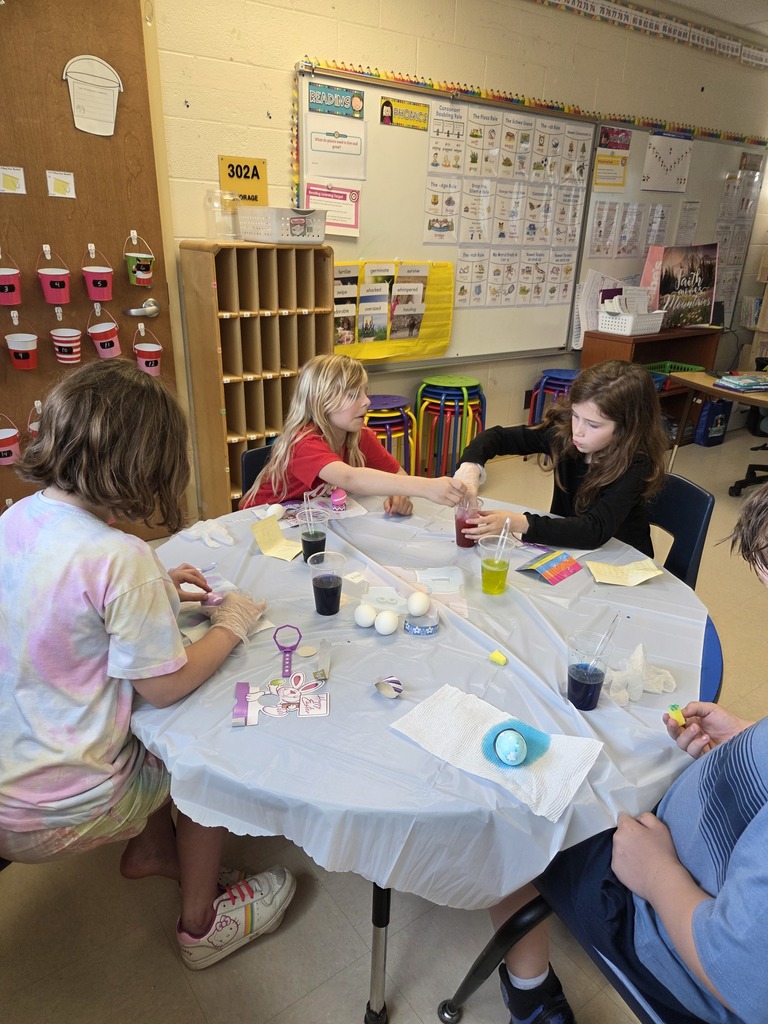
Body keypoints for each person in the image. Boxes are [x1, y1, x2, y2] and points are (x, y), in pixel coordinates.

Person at [0, 361, 295, 971]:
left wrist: (153, 587)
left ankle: (152, 850)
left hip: (9, 781)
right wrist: (232, 623)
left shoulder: (18, 518)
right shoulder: (120, 556)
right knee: (197, 755)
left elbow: (59, 607)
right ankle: (202, 926)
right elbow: (165, 687)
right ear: (143, 466)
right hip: (64, 805)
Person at [489, 484, 768, 1024]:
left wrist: (657, 873)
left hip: (661, 924)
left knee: (513, 812)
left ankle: (530, 991)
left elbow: (740, 980)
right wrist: (749, 739)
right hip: (689, 833)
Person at [453, 360, 668, 554]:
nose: (578, 431)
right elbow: (498, 437)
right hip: (571, 548)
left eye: (593, 424)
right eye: (576, 416)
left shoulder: (636, 464)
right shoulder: (564, 435)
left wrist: (519, 522)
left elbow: (594, 530)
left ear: (628, 428)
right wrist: (470, 468)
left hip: (622, 563)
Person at [239, 353, 465, 514]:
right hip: (258, 524)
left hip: (304, 520)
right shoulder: (304, 442)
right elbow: (350, 478)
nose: (367, 401)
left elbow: (398, 474)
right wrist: (426, 487)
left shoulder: (358, 435)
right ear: (321, 401)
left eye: (364, 393)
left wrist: (400, 494)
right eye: (352, 395)